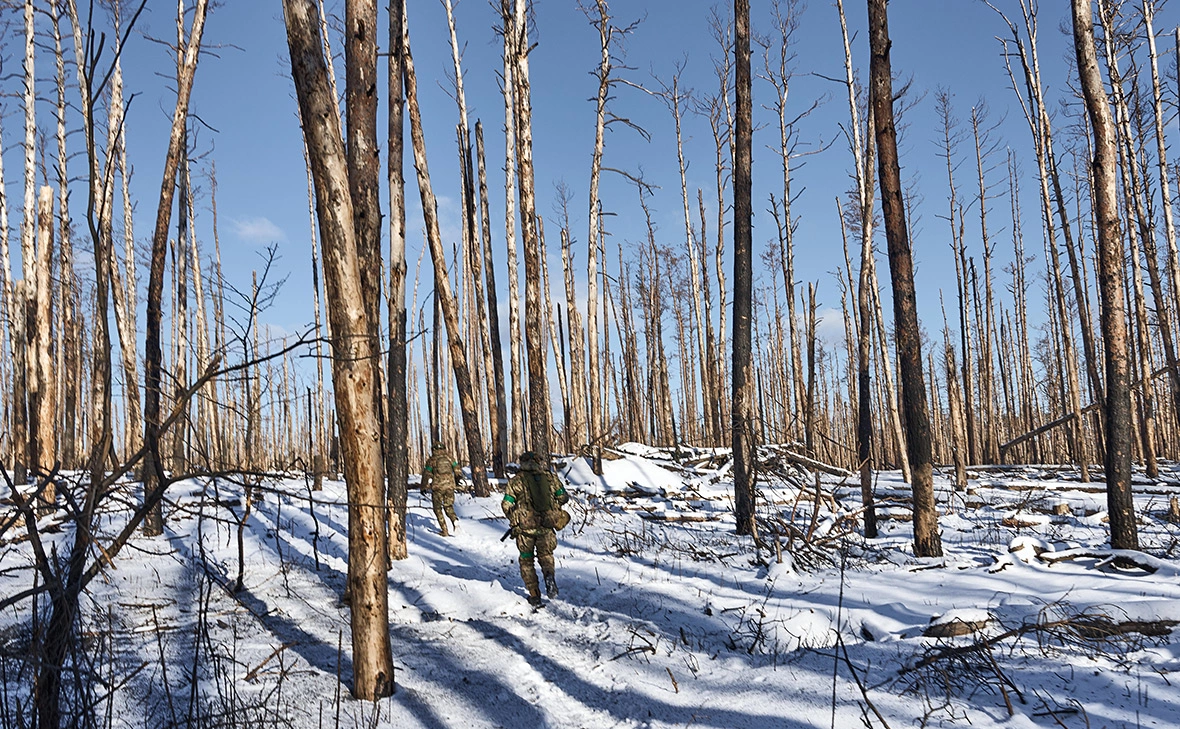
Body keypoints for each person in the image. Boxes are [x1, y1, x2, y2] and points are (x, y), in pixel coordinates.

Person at [502, 451, 569, 607]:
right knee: (546, 555)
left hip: (525, 530)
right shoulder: (550, 478)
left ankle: (534, 595)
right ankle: (549, 576)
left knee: (526, 561)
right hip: (547, 526)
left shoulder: (516, 481)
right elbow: (563, 497)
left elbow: (506, 504)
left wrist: (514, 518)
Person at [421, 443, 460, 536]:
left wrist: (423, 487)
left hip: (437, 487)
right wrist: (456, 481)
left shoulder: (431, 460)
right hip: (450, 486)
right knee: (448, 506)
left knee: (437, 508)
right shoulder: (450, 458)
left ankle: (444, 530)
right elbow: (457, 470)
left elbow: (426, 474)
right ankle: (455, 520)